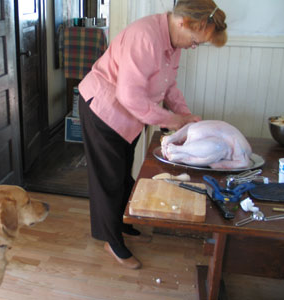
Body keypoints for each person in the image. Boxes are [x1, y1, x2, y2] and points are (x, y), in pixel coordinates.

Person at [78, 0, 227, 269]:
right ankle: (111, 241)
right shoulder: (145, 37)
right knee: (108, 180)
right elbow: (128, 96)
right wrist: (173, 120)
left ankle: (121, 223)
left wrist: (186, 117)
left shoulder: (173, 42)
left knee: (122, 176)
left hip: (130, 116)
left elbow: (169, 86)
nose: (193, 47)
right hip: (104, 109)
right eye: (195, 41)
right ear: (183, 22)